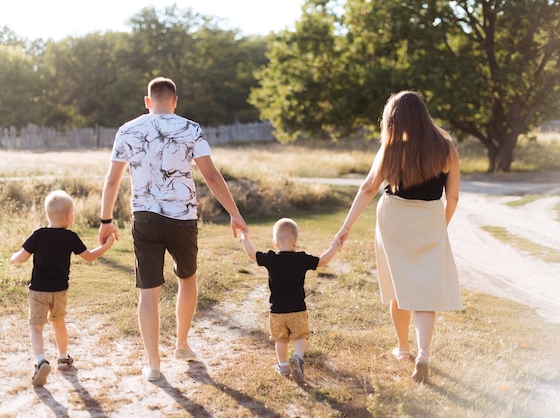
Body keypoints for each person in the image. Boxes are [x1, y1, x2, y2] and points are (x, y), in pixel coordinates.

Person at [98, 76, 248, 382]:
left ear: (148, 101)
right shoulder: (191, 129)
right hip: (183, 218)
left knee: (148, 292)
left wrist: (105, 220)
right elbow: (212, 176)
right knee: (187, 280)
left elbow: (112, 180)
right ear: (175, 101)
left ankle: (154, 366)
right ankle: (181, 344)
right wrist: (235, 213)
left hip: (146, 219)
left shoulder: (128, 130)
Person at [335, 90, 462, 383]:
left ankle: (403, 349)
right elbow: (452, 197)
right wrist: (440, 226)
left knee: (399, 284)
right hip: (430, 218)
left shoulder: (391, 148)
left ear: (393, 119)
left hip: (394, 219)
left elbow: (368, 188)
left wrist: (346, 226)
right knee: (425, 289)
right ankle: (423, 353)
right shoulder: (446, 148)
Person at [10, 190, 115, 386]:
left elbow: (22, 257)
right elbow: (90, 256)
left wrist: (13, 259)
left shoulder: (38, 235)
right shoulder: (70, 237)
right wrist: (106, 247)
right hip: (60, 291)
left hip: (38, 291)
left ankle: (41, 360)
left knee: (36, 327)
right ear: (68, 216)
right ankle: (63, 357)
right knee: (59, 323)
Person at [239, 218, 341, 383]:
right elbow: (322, 261)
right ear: (295, 242)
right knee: (300, 336)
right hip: (298, 310)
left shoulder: (271, 258)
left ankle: (283, 365)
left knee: (281, 339)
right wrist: (334, 247)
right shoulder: (301, 259)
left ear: (275, 243)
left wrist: (245, 239)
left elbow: (252, 254)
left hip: (277, 312)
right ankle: (297, 356)